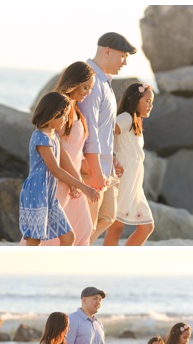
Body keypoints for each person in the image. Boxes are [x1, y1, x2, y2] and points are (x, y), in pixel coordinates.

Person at [19, 92, 99, 246]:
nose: (66, 120)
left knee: (68, 237)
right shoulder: (40, 137)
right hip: (37, 192)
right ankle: (24, 269)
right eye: (63, 116)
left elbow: (63, 160)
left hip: (49, 194)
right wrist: (83, 187)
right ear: (52, 114)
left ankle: (56, 269)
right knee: (34, 239)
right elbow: (55, 169)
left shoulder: (54, 136)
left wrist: (78, 181)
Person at [79, 32, 137, 243]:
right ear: (107, 51)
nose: (125, 63)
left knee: (107, 217)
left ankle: (75, 251)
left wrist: (111, 159)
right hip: (91, 167)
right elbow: (89, 131)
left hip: (105, 164)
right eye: (123, 56)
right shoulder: (91, 83)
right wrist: (94, 171)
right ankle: (69, 258)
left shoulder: (105, 83)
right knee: (86, 223)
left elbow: (103, 130)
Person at [42, 62, 97, 246]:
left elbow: (76, 148)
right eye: (85, 87)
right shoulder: (60, 106)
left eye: (90, 88)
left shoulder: (75, 109)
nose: (87, 92)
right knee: (50, 233)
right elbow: (59, 148)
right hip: (60, 179)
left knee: (82, 228)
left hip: (72, 179)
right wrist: (76, 182)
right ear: (75, 82)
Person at [103, 82, 155, 246]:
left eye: (151, 102)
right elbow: (105, 133)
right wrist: (111, 156)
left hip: (134, 182)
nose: (150, 106)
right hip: (125, 178)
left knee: (146, 226)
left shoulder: (135, 121)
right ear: (134, 99)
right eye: (147, 101)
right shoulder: (126, 118)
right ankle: (110, 265)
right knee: (116, 226)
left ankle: (123, 260)